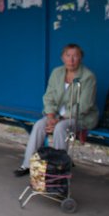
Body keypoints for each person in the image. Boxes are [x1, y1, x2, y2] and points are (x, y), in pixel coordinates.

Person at [14, 44, 99, 177]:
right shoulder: (57, 72)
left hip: (80, 117)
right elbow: (49, 96)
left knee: (60, 127)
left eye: (75, 56)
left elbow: (83, 105)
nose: (71, 60)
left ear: (81, 58)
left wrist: (57, 120)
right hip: (56, 115)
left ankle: (59, 169)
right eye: (68, 55)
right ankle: (27, 165)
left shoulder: (88, 77)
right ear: (62, 57)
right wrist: (50, 116)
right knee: (39, 125)